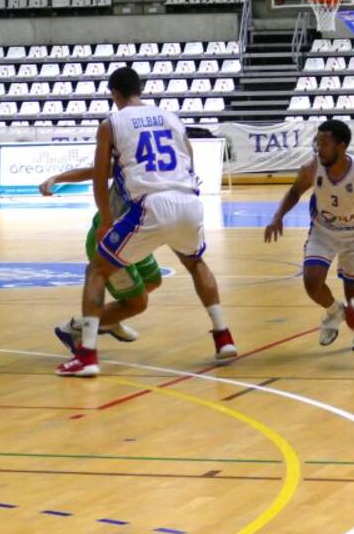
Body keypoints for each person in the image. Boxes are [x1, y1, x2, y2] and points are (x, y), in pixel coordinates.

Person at [56, 66, 236, 377]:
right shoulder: (170, 116)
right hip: (189, 200)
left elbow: (100, 177)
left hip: (150, 204)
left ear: (114, 94)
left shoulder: (111, 123)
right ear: (140, 89)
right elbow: (188, 156)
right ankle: (224, 337)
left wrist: (106, 220)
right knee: (196, 264)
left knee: (97, 270)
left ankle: (86, 356)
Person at [264, 119, 354, 351]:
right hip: (324, 231)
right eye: (317, 143)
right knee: (311, 282)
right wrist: (278, 216)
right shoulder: (312, 168)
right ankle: (334, 311)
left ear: (341, 146)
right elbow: (295, 191)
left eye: (324, 144)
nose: (319, 149)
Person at [40, 164, 162, 344]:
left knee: (152, 280)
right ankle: (73, 328)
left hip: (137, 236)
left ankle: (110, 320)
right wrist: (57, 178)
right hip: (111, 238)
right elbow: (94, 171)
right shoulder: (128, 158)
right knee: (137, 303)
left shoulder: (162, 163)